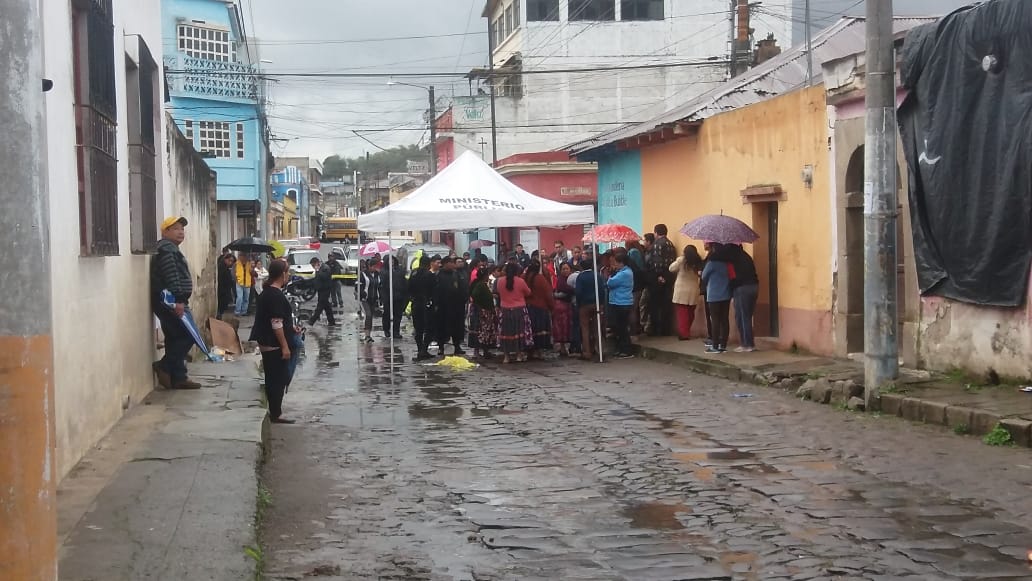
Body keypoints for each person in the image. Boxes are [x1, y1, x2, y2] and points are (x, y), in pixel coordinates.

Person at [151, 216, 200, 390]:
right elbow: (171, 276)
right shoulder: (167, 250)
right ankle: (164, 366)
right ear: (165, 232)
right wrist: (179, 300)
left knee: (174, 337)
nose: (181, 232)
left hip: (171, 301)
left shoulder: (171, 249)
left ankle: (179, 376)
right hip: (169, 301)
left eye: (182, 229)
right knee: (188, 335)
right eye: (176, 228)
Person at [250, 259, 297, 424]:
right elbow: (276, 323)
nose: (289, 275)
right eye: (288, 272)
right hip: (273, 343)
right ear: (282, 274)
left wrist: (291, 329)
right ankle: (276, 413)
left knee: (274, 376)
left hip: (268, 341)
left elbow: (279, 321)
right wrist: (285, 346)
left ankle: (275, 411)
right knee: (277, 378)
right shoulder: (274, 295)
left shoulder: (268, 292)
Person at [721, 244, 760, 352]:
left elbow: (733, 277)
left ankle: (747, 344)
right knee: (747, 316)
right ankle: (748, 343)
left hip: (742, 288)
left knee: (741, 317)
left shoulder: (733, 260)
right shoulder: (746, 257)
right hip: (754, 287)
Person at [496, 262, 533, 364]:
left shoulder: (499, 281)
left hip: (505, 310)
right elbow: (528, 292)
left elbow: (498, 292)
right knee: (518, 332)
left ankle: (506, 356)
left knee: (506, 333)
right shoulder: (520, 281)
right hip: (519, 309)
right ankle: (519, 355)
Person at [432, 256, 469, 356]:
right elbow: (435, 291)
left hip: (456, 306)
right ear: (446, 264)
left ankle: (457, 346)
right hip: (443, 306)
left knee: (457, 327)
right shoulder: (438, 275)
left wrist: (463, 299)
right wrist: (436, 304)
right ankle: (441, 347)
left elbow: (463, 288)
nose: (453, 264)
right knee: (442, 327)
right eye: (451, 262)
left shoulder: (456, 274)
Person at [646, 224, 678, 336]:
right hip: (670, 275)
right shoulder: (670, 244)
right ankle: (666, 329)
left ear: (656, 232)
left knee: (654, 304)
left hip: (659, 277)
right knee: (666, 304)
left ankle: (655, 329)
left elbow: (657, 261)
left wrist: (659, 275)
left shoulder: (657, 244)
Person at [701, 244, 733, 354]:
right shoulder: (727, 263)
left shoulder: (711, 264)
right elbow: (731, 276)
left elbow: (704, 276)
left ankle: (715, 345)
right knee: (724, 319)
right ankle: (723, 345)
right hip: (726, 294)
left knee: (715, 320)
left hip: (714, 295)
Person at [670, 245, 704, 341]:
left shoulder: (681, 260)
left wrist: (679, 259)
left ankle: (684, 334)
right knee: (690, 312)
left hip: (681, 291)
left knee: (682, 313)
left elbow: (671, 268)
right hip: (693, 290)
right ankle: (686, 331)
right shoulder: (698, 261)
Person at [524, 260, 555, 359]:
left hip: (527, 308)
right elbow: (548, 293)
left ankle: (529, 351)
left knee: (530, 331)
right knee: (539, 330)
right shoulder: (540, 278)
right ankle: (538, 351)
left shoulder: (523, 277)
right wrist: (552, 306)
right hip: (540, 308)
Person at [575, 259, 605, 361]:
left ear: (581, 267)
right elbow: (602, 289)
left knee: (585, 328)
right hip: (596, 303)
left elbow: (578, 292)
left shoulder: (581, 277)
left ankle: (587, 352)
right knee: (597, 328)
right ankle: (600, 350)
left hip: (584, 305)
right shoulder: (597, 275)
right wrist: (601, 303)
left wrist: (579, 303)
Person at [607, 253, 635, 359]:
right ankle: (622, 348)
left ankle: (626, 349)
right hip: (620, 301)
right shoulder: (624, 272)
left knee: (622, 328)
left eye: (616, 263)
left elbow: (611, 283)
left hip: (621, 302)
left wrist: (610, 276)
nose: (615, 265)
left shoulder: (624, 273)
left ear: (621, 263)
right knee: (620, 327)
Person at [408, 255, 436, 360]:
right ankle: (424, 349)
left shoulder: (413, 273)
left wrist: (412, 298)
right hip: (426, 304)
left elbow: (409, 287)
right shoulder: (429, 275)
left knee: (418, 328)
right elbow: (434, 290)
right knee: (429, 328)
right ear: (429, 264)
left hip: (415, 303)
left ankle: (420, 350)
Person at [468, 267, 497, 358]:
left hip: (485, 311)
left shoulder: (481, 284)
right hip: (482, 312)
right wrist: (480, 308)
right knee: (480, 331)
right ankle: (478, 351)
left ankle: (485, 350)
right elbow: (475, 296)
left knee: (485, 331)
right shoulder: (480, 285)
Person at [378, 256, 409, 339]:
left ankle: (396, 331)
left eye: (393, 260)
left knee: (398, 315)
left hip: (398, 297)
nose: (391, 262)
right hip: (388, 297)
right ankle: (387, 330)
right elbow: (382, 284)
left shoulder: (399, 270)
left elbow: (404, 281)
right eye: (389, 261)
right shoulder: (384, 271)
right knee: (387, 314)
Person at [552, 262, 576, 356]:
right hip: (561, 306)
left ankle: (567, 347)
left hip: (568, 306)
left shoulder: (571, 278)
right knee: (562, 327)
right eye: (563, 269)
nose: (565, 271)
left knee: (568, 326)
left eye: (567, 269)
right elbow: (565, 289)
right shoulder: (561, 280)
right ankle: (562, 347)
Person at [308, 257, 337, 327]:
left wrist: (317, 271)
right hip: (321, 290)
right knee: (327, 306)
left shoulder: (325, 268)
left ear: (316, 263)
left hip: (325, 290)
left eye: (313, 265)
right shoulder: (320, 269)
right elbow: (317, 279)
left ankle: (312, 321)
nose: (312, 267)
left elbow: (325, 277)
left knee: (320, 306)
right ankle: (331, 321)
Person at [359, 259, 381, 343]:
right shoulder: (363, 274)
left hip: (373, 299)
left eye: (376, 266)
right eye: (374, 266)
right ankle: (367, 335)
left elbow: (379, 285)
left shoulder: (377, 275)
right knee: (368, 315)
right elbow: (358, 286)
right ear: (369, 266)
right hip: (365, 299)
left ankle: (369, 335)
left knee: (371, 316)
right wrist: (362, 294)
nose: (375, 268)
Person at [234, 252, 258, 316]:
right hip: (239, 283)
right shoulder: (236, 264)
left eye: (244, 256)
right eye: (241, 256)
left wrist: (252, 270)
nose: (243, 257)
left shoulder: (249, 264)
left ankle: (244, 311)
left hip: (247, 283)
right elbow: (233, 273)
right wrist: (236, 279)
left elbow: (254, 274)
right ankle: (237, 311)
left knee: (246, 299)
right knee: (239, 297)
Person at [216, 252, 236, 320]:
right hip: (222, 291)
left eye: (232, 261)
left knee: (223, 306)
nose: (230, 263)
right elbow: (221, 280)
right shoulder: (221, 267)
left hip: (226, 290)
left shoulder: (226, 268)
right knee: (221, 305)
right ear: (225, 259)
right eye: (229, 260)